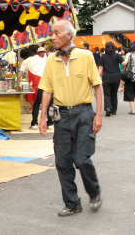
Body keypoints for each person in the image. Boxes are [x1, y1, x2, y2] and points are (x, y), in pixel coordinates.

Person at [38, 20, 103, 217]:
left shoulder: (85, 56)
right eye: (52, 33)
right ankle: (72, 203)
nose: (53, 36)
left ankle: (94, 191)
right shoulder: (51, 60)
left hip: (83, 113)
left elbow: (97, 86)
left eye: (57, 33)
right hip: (61, 115)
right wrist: (42, 117)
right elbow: (47, 90)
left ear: (69, 35)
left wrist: (98, 115)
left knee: (82, 159)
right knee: (63, 161)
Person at [20, 46, 53, 130]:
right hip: (48, 81)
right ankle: (50, 124)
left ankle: (34, 123)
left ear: (23, 57)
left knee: (36, 104)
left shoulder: (26, 61)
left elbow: (20, 75)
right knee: (49, 104)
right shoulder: (41, 58)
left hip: (39, 83)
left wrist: (17, 85)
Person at [98, 42, 124, 116]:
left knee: (107, 94)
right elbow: (123, 63)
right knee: (114, 93)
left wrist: (97, 78)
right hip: (116, 77)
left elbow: (100, 68)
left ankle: (108, 107)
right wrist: (128, 56)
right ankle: (114, 110)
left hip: (106, 77)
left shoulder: (103, 57)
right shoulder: (117, 55)